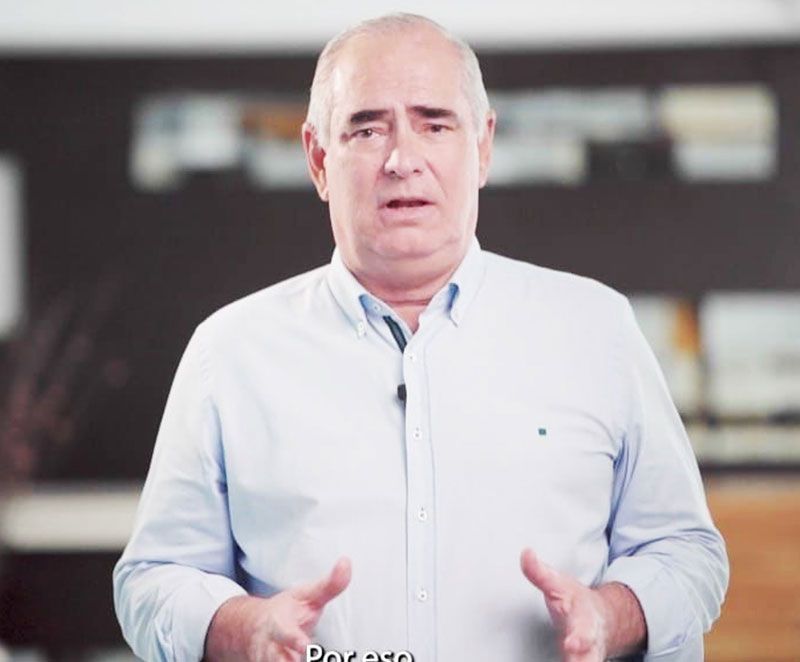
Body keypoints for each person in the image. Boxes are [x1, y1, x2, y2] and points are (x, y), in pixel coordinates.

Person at [113, 13, 728, 662]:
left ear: (482, 147)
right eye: (367, 128)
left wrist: (612, 616)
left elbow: (686, 554)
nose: (402, 160)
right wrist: (241, 628)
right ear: (319, 160)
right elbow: (153, 580)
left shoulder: (596, 329)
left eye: (435, 124)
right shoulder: (230, 352)